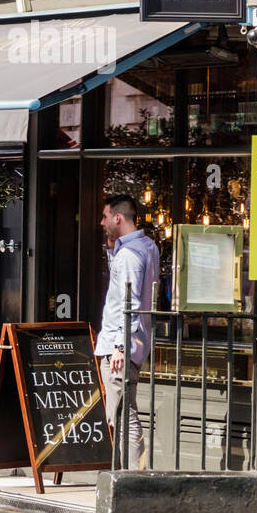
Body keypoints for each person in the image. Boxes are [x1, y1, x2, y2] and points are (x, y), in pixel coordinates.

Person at [96, 194, 160, 469]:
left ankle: (133, 481)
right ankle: (129, 478)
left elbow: (130, 302)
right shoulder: (147, 247)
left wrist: (120, 346)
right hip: (134, 343)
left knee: (124, 416)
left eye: (105, 216)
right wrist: (112, 247)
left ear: (117, 218)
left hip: (119, 347)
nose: (102, 222)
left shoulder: (130, 255)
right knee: (122, 414)